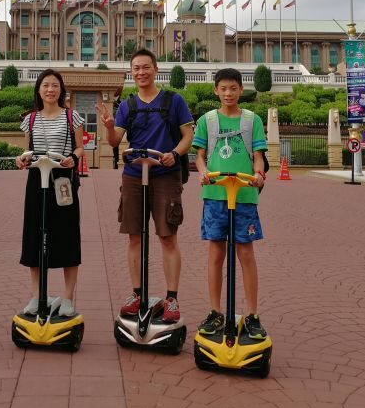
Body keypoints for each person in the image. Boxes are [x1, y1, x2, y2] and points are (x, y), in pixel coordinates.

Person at [96, 48, 194, 322]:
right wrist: (109, 126)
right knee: (134, 236)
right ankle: (137, 294)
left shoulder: (174, 101)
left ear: (156, 69)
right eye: (136, 68)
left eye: (146, 67)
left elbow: (188, 135)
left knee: (167, 236)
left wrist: (174, 153)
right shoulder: (127, 106)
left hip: (165, 174)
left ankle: (171, 298)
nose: (141, 72)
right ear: (131, 72)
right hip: (134, 175)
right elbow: (115, 141)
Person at [192, 68, 268, 339]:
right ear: (216, 90)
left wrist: (258, 174)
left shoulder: (252, 120)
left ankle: (252, 315)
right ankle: (215, 311)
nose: (228, 93)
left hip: (244, 195)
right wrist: (203, 172)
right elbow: (199, 156)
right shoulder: (207, 120)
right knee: (216, 253)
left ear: (241, 89)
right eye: (223, 88)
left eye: (233, 88)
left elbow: (258, 156)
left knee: (246, 253)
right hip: (215, 195)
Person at [16, 69, 84, 317]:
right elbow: (28, 151)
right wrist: (22, 159)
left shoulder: (72, 117)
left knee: (67, 235)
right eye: (45, 85)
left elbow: (80, 147)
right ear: (38, 89)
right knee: (34, 235)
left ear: (61, 90)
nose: (50, 90)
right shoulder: (30, 119)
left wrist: (72, 157)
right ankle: (37, 296)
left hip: (62, 179)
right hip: (37, 180)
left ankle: (67, 298)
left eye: (55, 85)